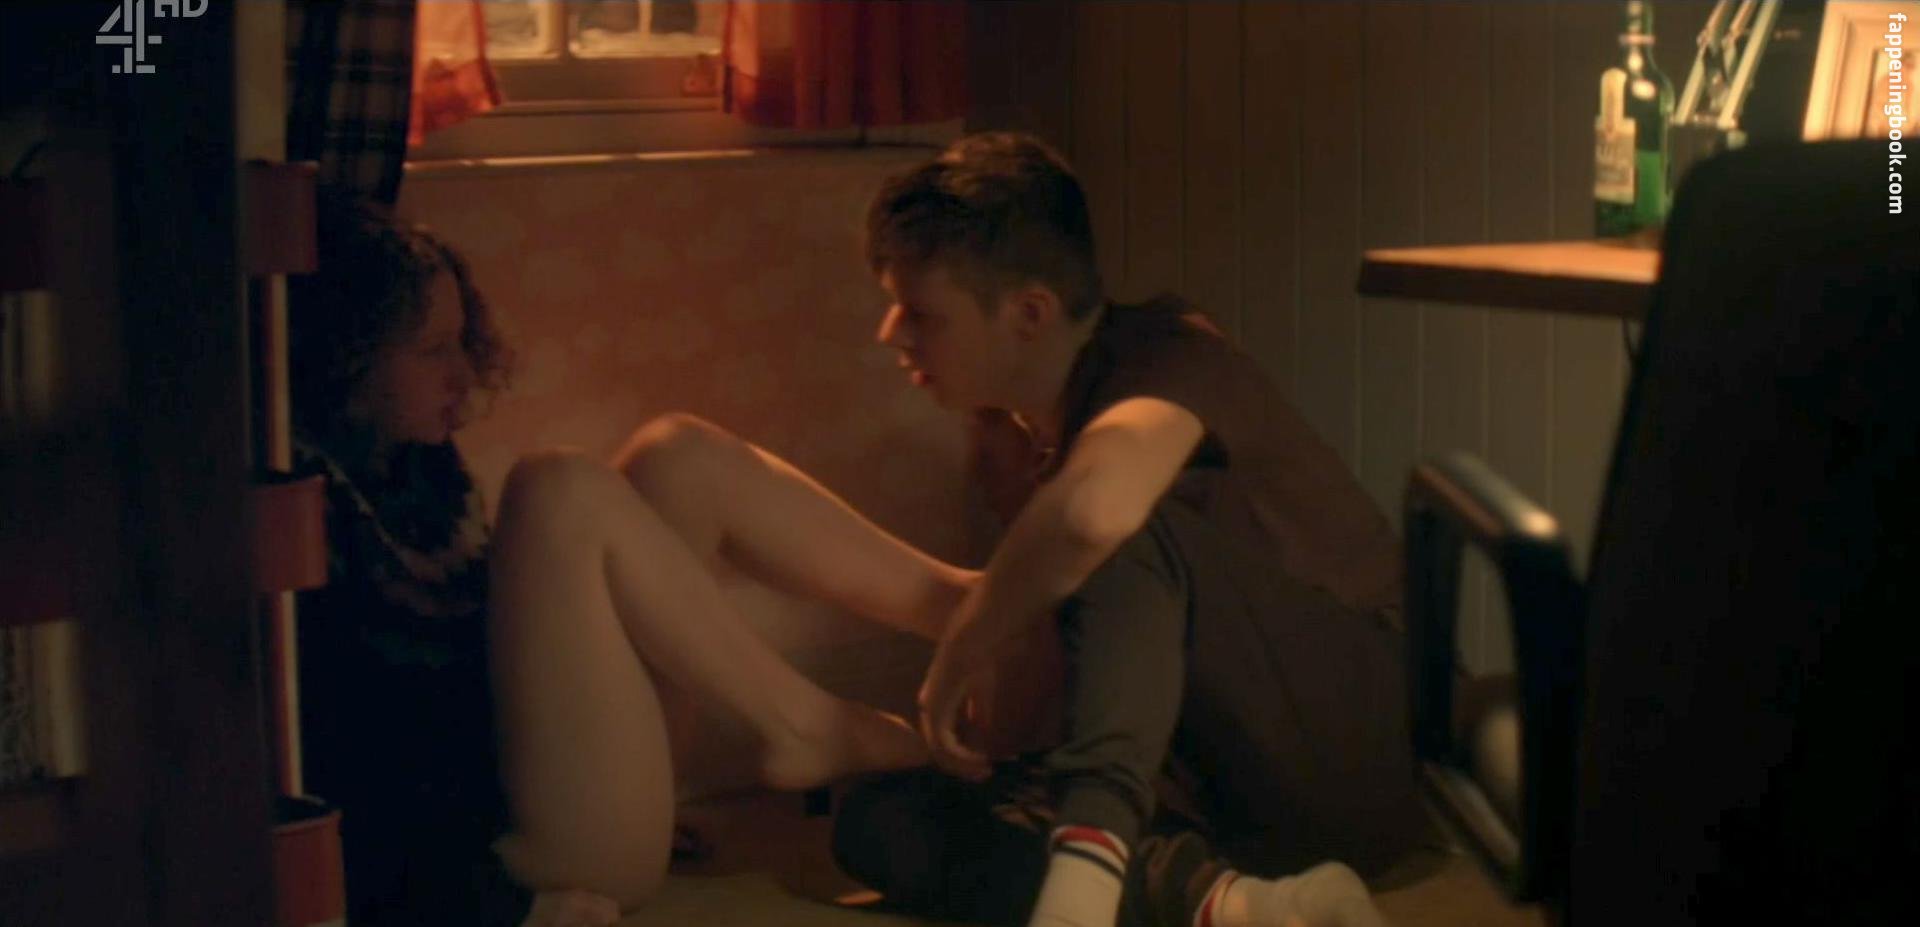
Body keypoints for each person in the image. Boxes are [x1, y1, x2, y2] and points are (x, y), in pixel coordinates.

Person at [818, 132, 1437, 927]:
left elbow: (1096, 514)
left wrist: (964, 642)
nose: (891, 332)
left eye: (921, 312)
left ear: (1029, 313)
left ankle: (1081, 894)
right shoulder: (1017, 438)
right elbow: (1044, 693)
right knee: (879, 820)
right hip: (1218, 782)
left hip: (1364, 743)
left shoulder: (1172, 353)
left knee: (1120, 515)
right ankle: (1238, 905)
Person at [289, 193, 624, 927]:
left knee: (681, 459)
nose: (464, 375)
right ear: (345, 359)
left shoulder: (424, 471)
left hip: (522, 786)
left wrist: (623, 787)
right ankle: (808, 729)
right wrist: (502, 908)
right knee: (558, 485)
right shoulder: (310, 520)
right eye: (433, 349)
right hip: (489, 857)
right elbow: (366, 785)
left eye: (462, 342)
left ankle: (828, 716)